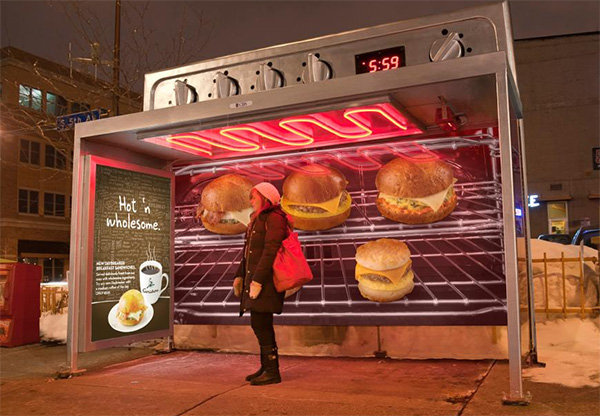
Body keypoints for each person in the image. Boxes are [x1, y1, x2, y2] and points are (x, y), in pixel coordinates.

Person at [233, 182, 287, 386]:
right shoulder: (257, 219)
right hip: (255, 280)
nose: (250, 201)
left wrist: (257, 280)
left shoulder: (275, 218)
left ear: (265, 198)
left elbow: (270, 251)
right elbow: (248, 253)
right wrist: (240, 276)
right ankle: (266, 367)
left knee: (262, 324)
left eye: (253, 196)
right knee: (260, 323)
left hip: (265, 282)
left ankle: (273, 371)